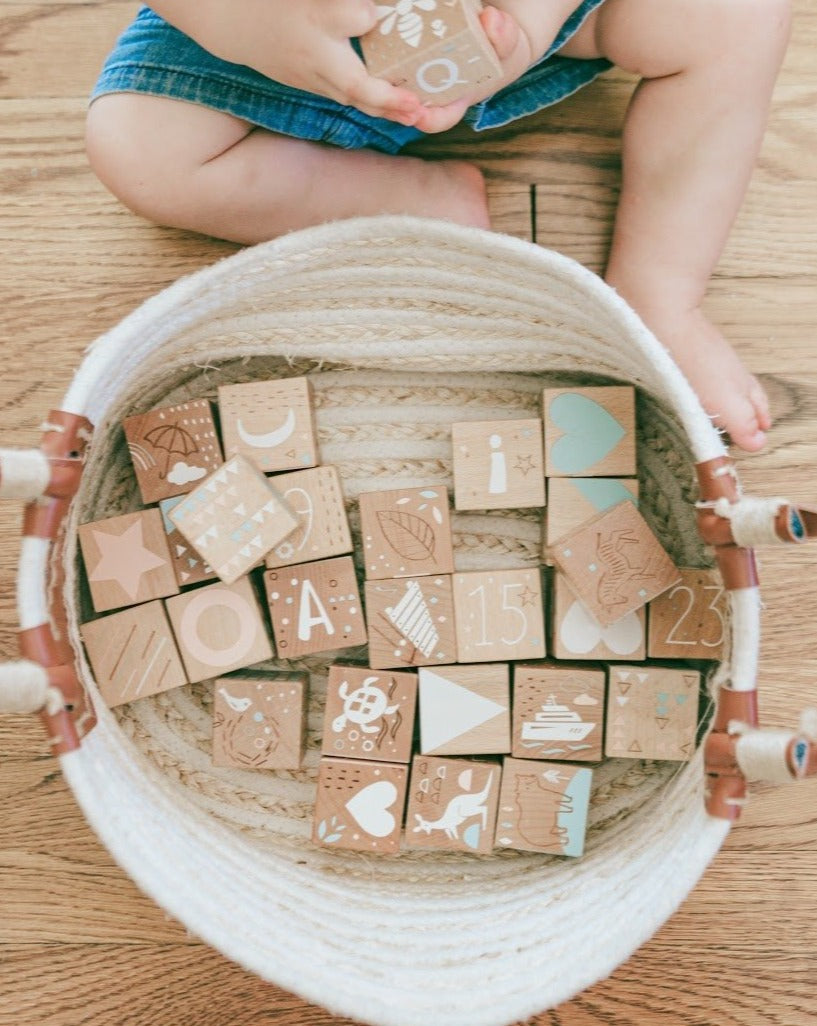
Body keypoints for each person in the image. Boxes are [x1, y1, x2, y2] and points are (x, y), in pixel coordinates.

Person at [85, 0, 792, 452]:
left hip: (518, 23)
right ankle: (405, 199)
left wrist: (521, 28)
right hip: (264, 39)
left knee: (738, 13)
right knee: (138, 149)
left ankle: (659, 291)